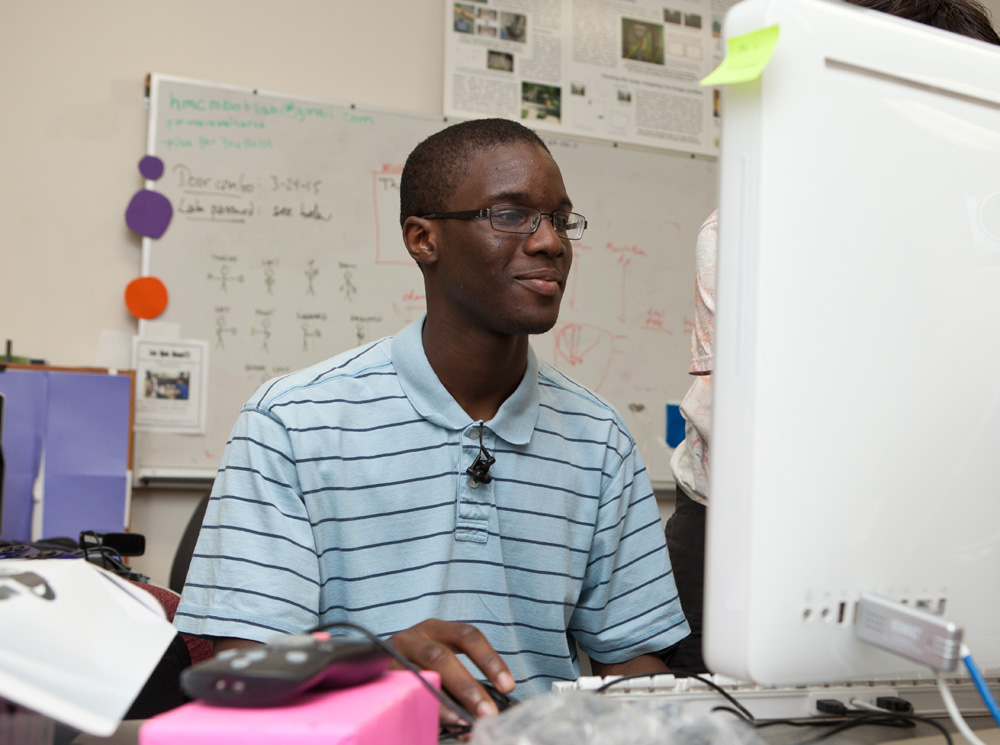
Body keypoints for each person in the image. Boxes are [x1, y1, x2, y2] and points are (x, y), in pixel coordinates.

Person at [175, 118, 689, 722]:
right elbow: (242, 679)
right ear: (423, 239)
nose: (550, 241)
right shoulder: (292, 423)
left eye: (559, 219)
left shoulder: (600, 441)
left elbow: (632, 670)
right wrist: (375, 668)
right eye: (510, 214)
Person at [661, 0, 1000, 674]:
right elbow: (773, 430)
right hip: (738, 538)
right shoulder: (749, 229)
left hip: (923, 530)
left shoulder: (968, 226)